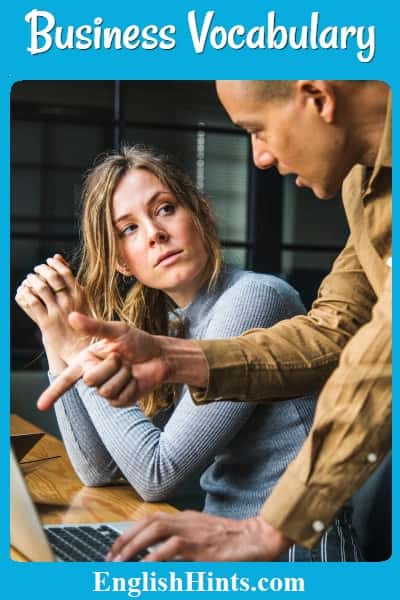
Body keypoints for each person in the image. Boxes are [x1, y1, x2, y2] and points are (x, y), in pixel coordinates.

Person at [37, 80, 391, 563]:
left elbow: (156, 472)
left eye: (257, 129)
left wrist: (79, 349)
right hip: (243, 542)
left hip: (296, 552)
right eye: (130, 229)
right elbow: (336, 328)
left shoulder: (252, 297)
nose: (260, 157)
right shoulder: (364, 187)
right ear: (120, 259)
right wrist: (62, 344)